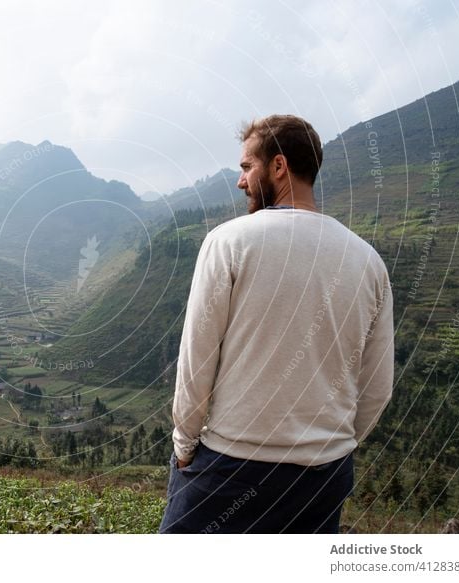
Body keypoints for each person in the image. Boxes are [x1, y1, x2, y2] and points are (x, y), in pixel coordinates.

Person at [159, 114, 394, 534]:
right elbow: (378, 385)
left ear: (279, 166)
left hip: (233, 465)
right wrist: (333, 443)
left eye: (247, 166)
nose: (240, 181)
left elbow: (197, 361)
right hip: (323, 475)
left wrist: (183, 446)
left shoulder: (229, 242)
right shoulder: (368, 262)